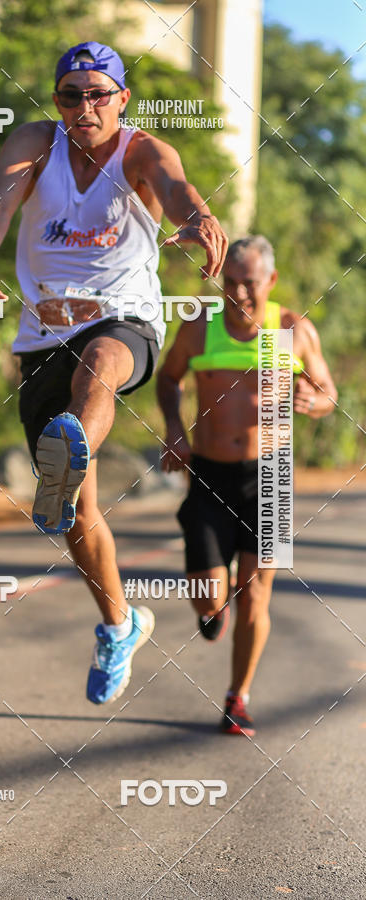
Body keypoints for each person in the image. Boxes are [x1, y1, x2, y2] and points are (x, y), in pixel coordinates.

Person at [0, 41, 227, 704]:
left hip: (123, 320)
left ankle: (67, 456)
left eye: (99, 94)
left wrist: (198, 217)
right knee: (79, 517)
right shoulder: (35, 144)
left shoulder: (142, 151)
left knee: (99, 366)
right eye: (71, 95)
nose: (85, 107)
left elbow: (177, 190)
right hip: (43, 334)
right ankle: (119, 624)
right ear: (57, 101)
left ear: (122, 99)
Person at [157, 235, 337, 735]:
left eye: (249, 283)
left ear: (271, 281)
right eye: (229, 282)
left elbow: (328, 391)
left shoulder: (290, 330)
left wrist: (314, 401)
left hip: (271, 477)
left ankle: (238, 698)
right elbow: (168, 379)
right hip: (210, 474)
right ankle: (213, 612)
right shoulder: (200, 327)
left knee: (255, 595)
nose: (237, 293)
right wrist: (173, 428)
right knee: (209, 597)